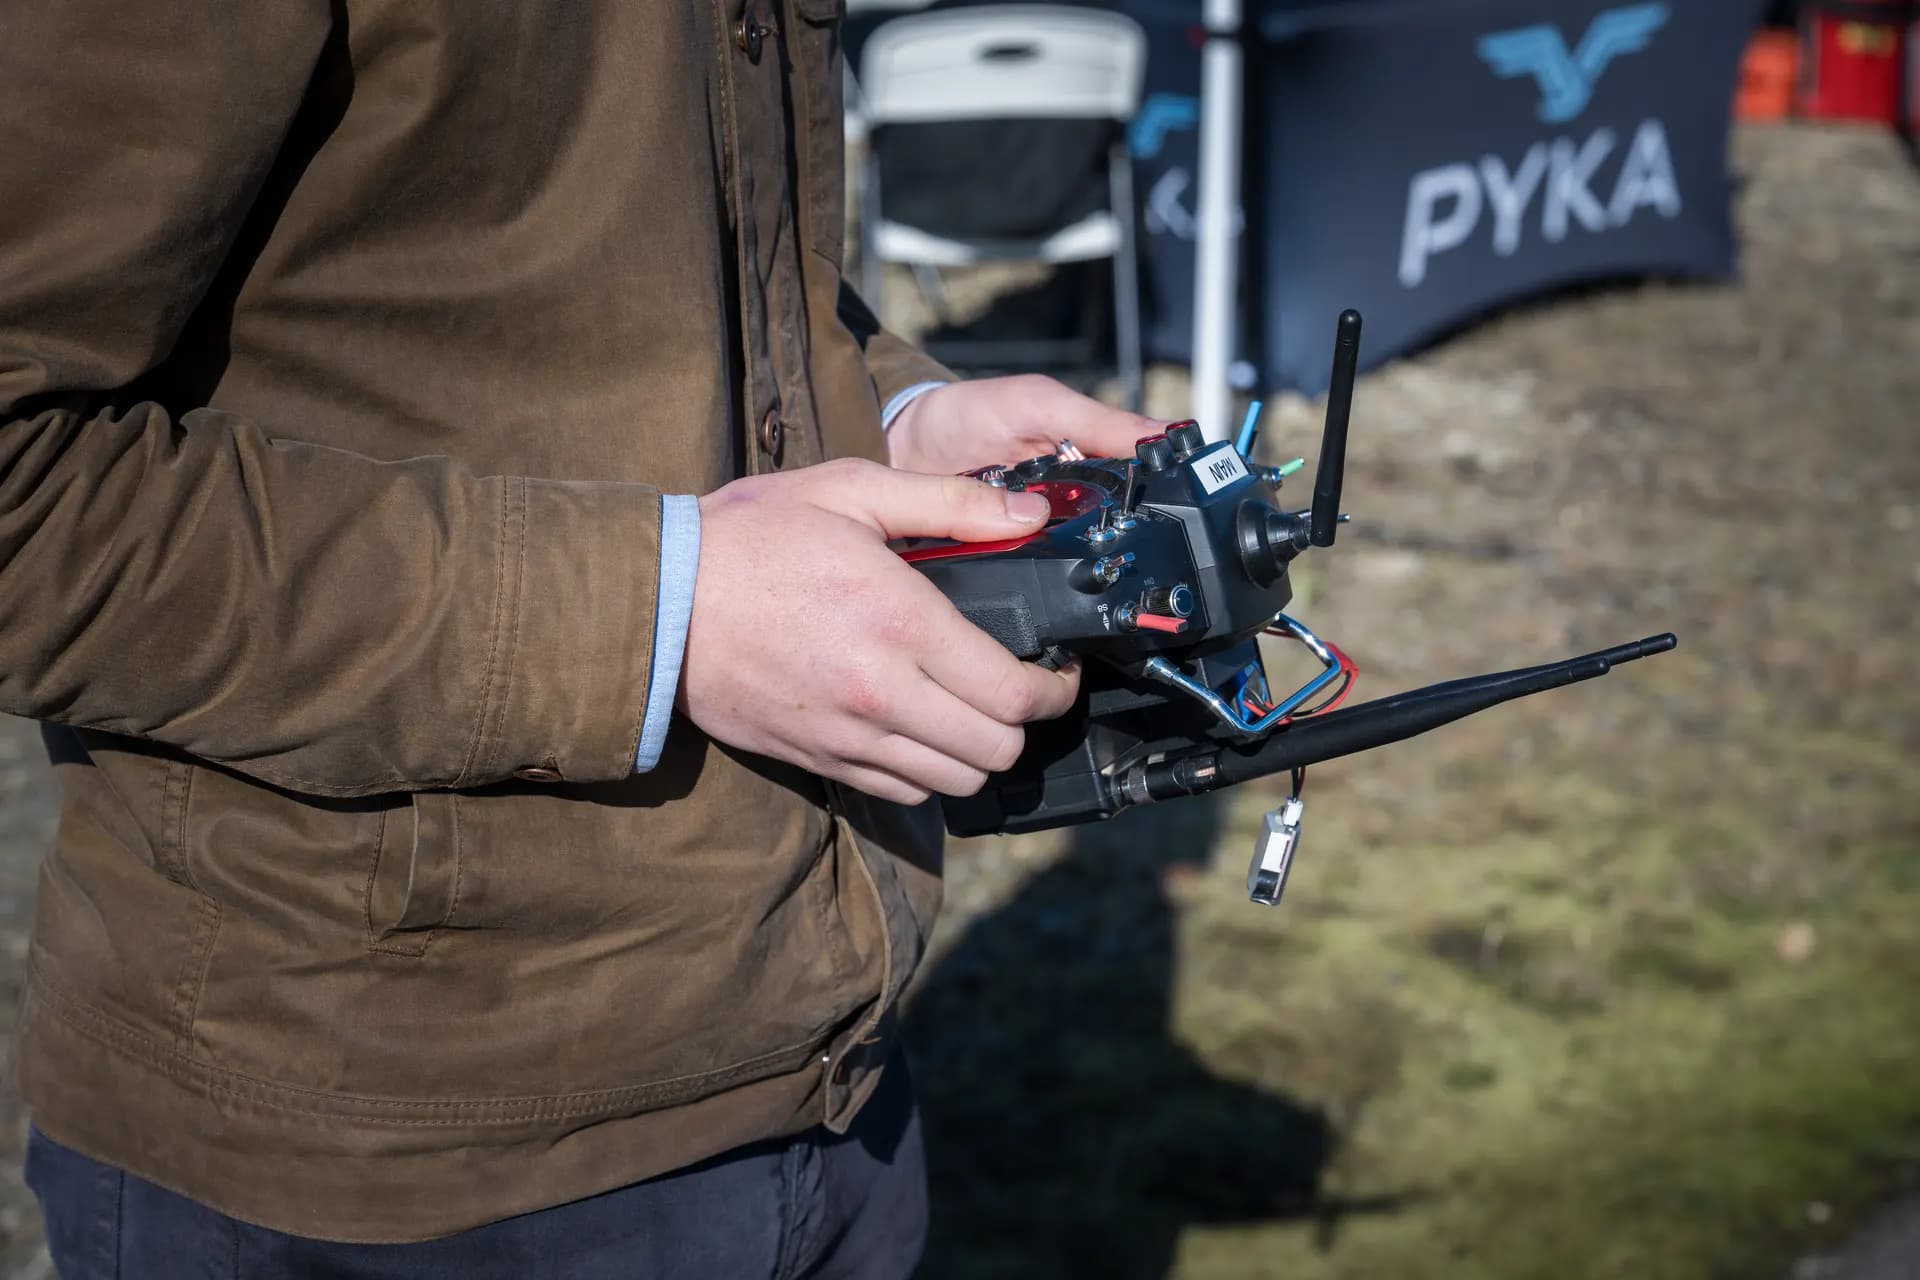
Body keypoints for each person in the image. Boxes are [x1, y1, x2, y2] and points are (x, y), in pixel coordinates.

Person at [0, 1, 1158, 1274]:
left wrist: (889, 413)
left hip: (829, 1079)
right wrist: (661, 606)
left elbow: (649, 265)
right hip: (382, 1158)